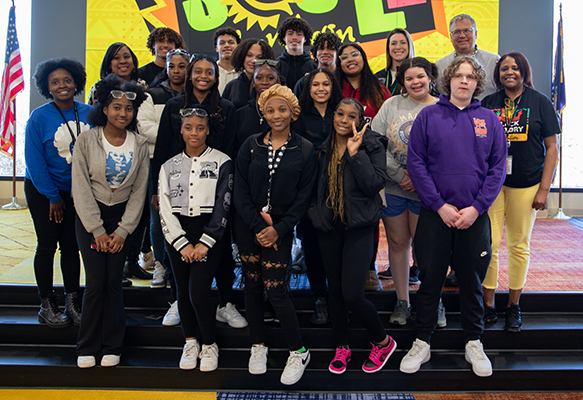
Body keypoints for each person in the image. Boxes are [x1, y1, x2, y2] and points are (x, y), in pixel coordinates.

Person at [400, 56, 507, 378]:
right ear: (448, 80)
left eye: (471, 76)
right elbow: (416, 163)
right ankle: (422, 340)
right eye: (459, 76)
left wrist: (476, 208)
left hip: (474, 216)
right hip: (436, 214)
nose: (464, 81)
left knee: (472, 281)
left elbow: (497, 168)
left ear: (478, 82)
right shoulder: (428, 117)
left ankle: (474, 340)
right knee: (430, 280)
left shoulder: (489, 120)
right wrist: (439, 205)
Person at [152, 53, 247, 329]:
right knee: (175, 245)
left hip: (214, 192)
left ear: (216, 76)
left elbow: (229, 149)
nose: (203, 76)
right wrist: (157, 191)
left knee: (221, 247)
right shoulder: (173, 105)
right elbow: (161, 152)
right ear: (190, 74)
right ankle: (178, 301)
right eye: (198, 71)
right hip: (178, 188)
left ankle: (226, 303)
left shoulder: (226, 107)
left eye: (209, 72)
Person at [234, 84, 316, 385]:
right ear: (262, 112)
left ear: (292, 111)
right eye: (270, 110)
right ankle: (258, 345)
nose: (276, 115)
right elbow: (239, 191)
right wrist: (258, 226)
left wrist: (278, 229)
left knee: (276, 289)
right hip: (248, 225)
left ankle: (299, 351)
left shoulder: (305, 149)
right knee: (252, 285)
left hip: (281, 228)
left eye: (282, 109)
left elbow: (303, 198)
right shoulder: (250, 145)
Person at [308, 97, 396, 375]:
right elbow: (314, 187)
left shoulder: (372, 145)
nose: (344, 121)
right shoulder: (322, 148)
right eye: (340, 114)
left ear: (361, 120)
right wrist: (316, 214)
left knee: (353, 295)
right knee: (334, 291)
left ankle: (383, 341)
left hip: (359, 227)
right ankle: (342, 345)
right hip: (330, 228)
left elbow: (373, 185)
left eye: (351, 116)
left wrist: (355, 154)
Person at [73, 74, 149, 369]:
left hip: (122, 221)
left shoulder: (140, 144)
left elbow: (140, 191)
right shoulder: (87, 139)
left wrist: (122, 231)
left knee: (114, 284)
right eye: (116, 107)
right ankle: (87, 345)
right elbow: (79, 187)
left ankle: (112, 345)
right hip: (90, 217)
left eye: (128, 109)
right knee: (95, 283)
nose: (122, 113)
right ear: (104, 108)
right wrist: (97, 230)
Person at [481, 52, 560, 332]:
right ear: (498, 74)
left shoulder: (539, 102)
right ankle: (488, 303)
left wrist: (544, 189)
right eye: (504, 69)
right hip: (493, 185)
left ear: (524, 71)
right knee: (488, 245)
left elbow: (552, 148)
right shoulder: (488, 104)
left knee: (518, 244)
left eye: (515, 68)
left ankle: (513, 305)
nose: (509, 72)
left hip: (527, 184)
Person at [159, 107, 233, 372]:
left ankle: (210, 344)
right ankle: (190, 341)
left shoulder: (222, 161)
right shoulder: (168, 165)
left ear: (208, 131)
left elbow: (223, 204)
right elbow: (165, 208)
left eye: (200, 128)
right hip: (178, 233)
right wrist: (181, 243)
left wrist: (205, 241)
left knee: (198, 292)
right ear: (181, 129)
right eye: (188, 127)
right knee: (182, 291)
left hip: (209, 235)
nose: (194, 132)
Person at [24, 57, 92, 328]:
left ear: (76, 82)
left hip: (78, 192)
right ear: (47, 87)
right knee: (47, 245)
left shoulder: (89, 112)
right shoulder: (39, 117)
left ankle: (72, 300)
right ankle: (46, 302)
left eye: (67, 80)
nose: (62, 85)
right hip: (44, 191)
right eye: (55, 82)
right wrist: (53, 197)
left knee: (71, 246)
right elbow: (35, 162)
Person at [371, 57, 439, 326]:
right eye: (409, 78)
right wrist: (399, 175)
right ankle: (403, 301)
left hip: (428, 192)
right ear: (402, 82)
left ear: (430, 78)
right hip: (394, 188)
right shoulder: (391, 105)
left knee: (427, 250)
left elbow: (446, 151)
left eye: (420, 76)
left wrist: (420, 179)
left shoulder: (441, 108)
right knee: (399, 244)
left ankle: (434, 302)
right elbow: (375, 142)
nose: (415, 82)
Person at [138, 48, 189, 316]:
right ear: (166, 67)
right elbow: (143, 127)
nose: (177, 71)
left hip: (191, 167)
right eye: (173, 66)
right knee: (158, 220)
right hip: (159, 164)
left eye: (183, 66)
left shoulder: (196, 96)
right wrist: (174, 133)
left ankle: (179, 268)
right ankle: (160, 263)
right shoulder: (153, 95)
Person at [294, 68, 344, 325]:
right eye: (315, 84)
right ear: (307, 88)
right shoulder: (299, 116)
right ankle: (319, 300)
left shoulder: (343, 113)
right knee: (312, 249)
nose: (321, 88)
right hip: (309, 191)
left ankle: (338, 299)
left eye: (326, 84)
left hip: (340, 192)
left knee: (336, 249)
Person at [435, 14, 499, 100]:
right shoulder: (439, 66)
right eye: (457, 32)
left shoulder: (494, 61)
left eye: (467, 31)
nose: (462, 35)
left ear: (475, 34)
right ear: (451, 37)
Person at [335, 43, 391, 123]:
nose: (350, 59)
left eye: (354, 54)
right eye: (344, 57)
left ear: (363, 58)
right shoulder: (333, 90)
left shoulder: (380, 90)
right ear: (339, 64)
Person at [235, 59, 281, 153]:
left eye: (270, 78)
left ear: (277, 82)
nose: (264, 82)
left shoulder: (285, 114)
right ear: (253, 83)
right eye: (259, 78)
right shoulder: (240, 114)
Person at [223, 38, 275, 109]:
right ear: (242, 56)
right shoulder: (231, 86)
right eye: (249, 55)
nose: (253, 61)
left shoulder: (273, 87)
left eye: (259, 57)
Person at [293, 32, 341, 97]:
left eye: (331, 49)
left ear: (338, 53)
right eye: (321, 48)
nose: (325, 52)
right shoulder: (304, 82)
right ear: (315, 52)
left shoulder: (344, 81)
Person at [275, 16, 317, 90]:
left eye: (299, 34)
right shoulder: (276, 65)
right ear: (284, 38)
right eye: (290, 34)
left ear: (305, 38)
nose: (294, 37)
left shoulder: (314, 66)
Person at [374, 28, 416, 96]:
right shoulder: (378, 77)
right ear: (388, 47)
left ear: (409, 46)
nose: (398, 47)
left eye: (403, 43)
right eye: (393, 43)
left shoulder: (418, 75)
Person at [213, 26, 241, 95]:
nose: (226, 45)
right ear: (216, 48)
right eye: (222, 43)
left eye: (231, 42)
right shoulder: (211, 70)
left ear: (238, 46)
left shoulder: (244, 72)